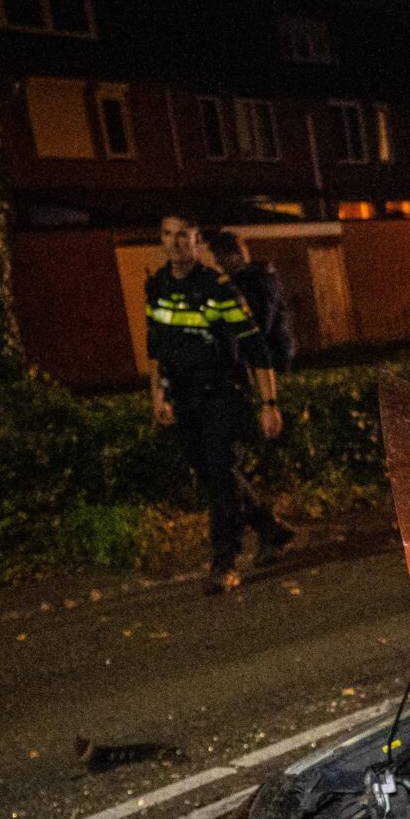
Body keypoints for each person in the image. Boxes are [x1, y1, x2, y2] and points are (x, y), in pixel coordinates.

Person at [146, 212, 290, 594]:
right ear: (161, 240)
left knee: (221, 477)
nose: (176, 243)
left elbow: (255, 346)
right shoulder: (157, 287)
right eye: (168, 235)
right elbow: (157, 347)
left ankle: (223, 561)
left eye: (184, 236)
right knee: (214, 474)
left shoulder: (218, 287)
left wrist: (268, 402)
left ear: (196, 242)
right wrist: (158, 396)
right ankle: (267, 525)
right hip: (184, 398)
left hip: (221, 395)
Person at [204, 228, 295, 372]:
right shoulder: (243, 281)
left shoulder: (257, 282)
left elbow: (261, 324)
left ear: (236, 255)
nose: (217, 262)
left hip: (268, 358)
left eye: (220, 256)